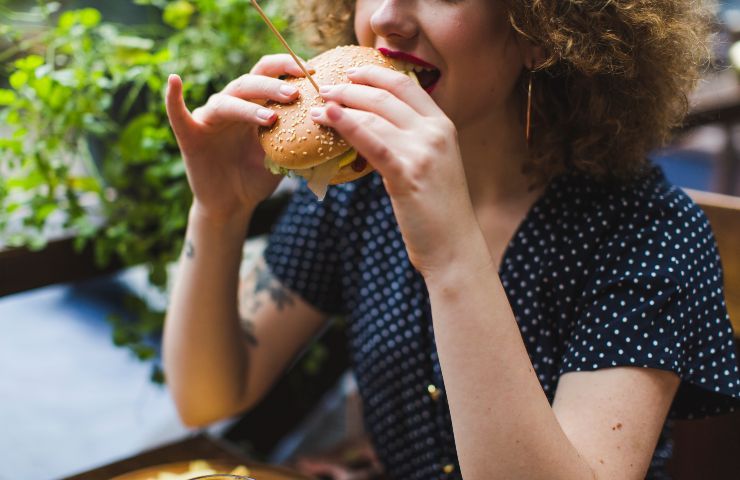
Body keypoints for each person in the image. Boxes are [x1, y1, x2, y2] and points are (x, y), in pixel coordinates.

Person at [162, 0, 740, 478]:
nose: (388, 16)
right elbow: (209, 395)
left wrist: (451, 255)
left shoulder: (647, 232)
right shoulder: (356, 188)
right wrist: (219, 211)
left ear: (539, 30)